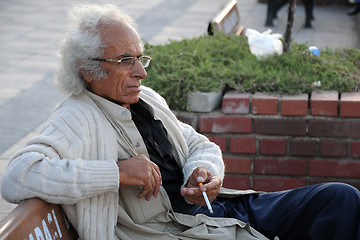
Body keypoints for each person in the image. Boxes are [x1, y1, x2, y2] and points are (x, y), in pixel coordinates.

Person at [1, 3, 360, 240]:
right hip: (180, 229)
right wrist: (118, 171)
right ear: (89, 70)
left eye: (141, 57)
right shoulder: (78, 117)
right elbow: (17, 175)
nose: (141, 71)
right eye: (126, 60)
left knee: (338, 199)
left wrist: (202, 170)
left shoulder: (146, 98)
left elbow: (199, 143)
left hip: (215, 209)